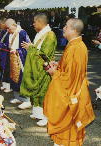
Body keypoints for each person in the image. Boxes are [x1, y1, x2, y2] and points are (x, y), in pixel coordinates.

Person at [44, 18, 95, 146]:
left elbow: (70, 78)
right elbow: (69, 69)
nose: (63, 28)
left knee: (68, 125)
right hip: (74, 89)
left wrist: (53, 73)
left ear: (74, 30)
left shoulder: (75, 48)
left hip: (71, 93)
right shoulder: (74, 44)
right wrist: (58, 65)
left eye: (66, 26)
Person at [19, 13, 57, 126]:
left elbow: (44, 55)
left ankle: (46, 117)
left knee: (43, 93)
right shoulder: (41, 33)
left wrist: (30, 47)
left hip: (44, 69)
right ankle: (37, 114)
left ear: (40, 22)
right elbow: (37, 49)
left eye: (35, 22)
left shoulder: (50, 35)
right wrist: (32, 47)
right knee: (36, 93)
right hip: (36, 69)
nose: (33, 24)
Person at [4, 19, 30, 104]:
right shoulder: (10, 33)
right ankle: (17, 96)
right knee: (13, 77)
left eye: (8, 28)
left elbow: (26, 47)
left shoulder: (22, 33)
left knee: (21, 78)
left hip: (20, 59)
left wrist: (17, 51)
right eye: (6, 28)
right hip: (12, 58)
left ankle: (26, 99)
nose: (7, 30)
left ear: (14, 25)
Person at [0, 18, 11, 93]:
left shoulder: (9, 32)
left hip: (7, 53)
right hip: (2, 53)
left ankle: (8, 86)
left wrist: (1, 44)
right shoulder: (3, 31)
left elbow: (9, 44)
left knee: (7, 70)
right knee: (2, 69)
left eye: (0, 24)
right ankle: (4, 84)